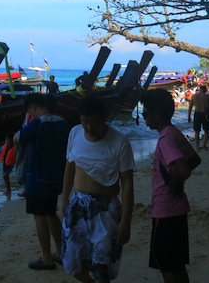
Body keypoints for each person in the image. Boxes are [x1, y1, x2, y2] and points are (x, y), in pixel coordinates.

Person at [61, 95, 134, 283]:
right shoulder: (75, 133)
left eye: (93, 122)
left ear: (104, 117)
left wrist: (125, 222)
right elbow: (69, 166)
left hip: (106, 210)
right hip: (77, 205)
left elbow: (127, 183)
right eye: (84, 122)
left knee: (102, 268)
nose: (88, 128)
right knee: (72, 262)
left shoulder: (119, 141)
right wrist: (65, 199)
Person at [141, 89, 201, 283]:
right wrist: (177, 183)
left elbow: (183, 168)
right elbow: (194, 159)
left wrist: (175, 185)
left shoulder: (165, 140)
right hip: (176, 208)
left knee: (166, 265)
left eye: (145, 114)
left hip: (166, 209)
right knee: (175, 264)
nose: (144, 118)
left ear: (156, 114)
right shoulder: (173, 132)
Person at [15, 92, 70, 271]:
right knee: (51, 214)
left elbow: (18, 138)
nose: (31, 115)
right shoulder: (63, 123)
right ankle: (61, 252)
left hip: (37, 179)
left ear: (34, 108)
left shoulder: (37, 124)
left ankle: (46, 258)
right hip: (55, 177)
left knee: (40, 217)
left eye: (30, 111)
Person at [188, 85, 209, 150]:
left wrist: (189, 116)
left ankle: (197, 147)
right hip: (205, 114)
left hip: (197, 113)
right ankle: (204, 145)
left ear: (200, 89)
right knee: (206, 131)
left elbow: (190, 107)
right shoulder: (207, 97)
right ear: (205, 90)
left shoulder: (194, 96)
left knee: (197, 131)